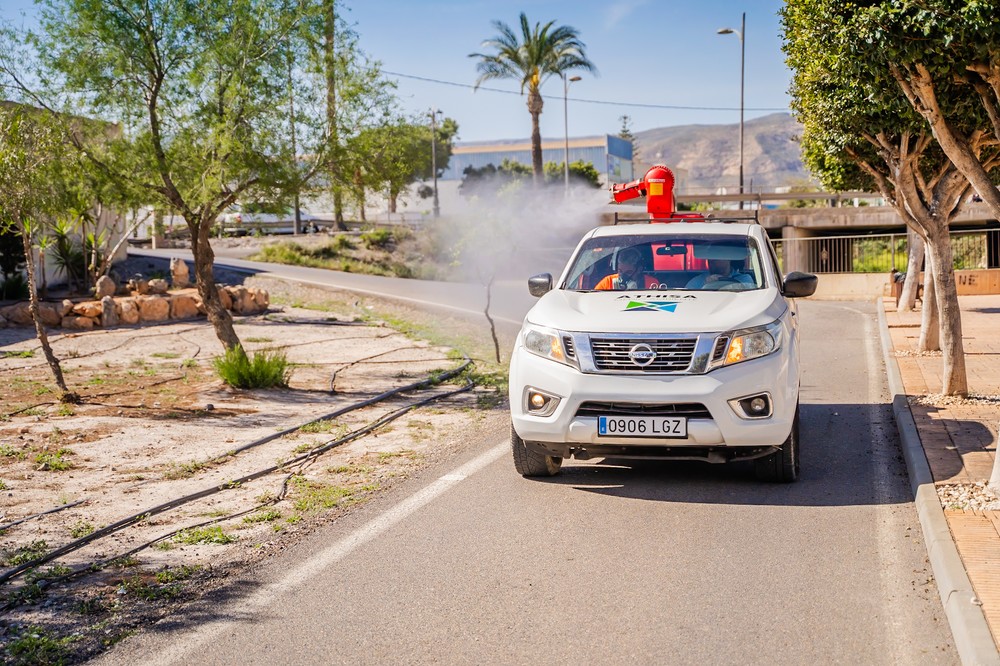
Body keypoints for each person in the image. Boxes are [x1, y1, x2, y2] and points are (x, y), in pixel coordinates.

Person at [594, 247, 659, 290]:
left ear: (639, 270)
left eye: (628, 272)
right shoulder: (608, 282)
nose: (623, 276)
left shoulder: (652, 283)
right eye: (620, 271)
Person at [685, 258, 755, 289]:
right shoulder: (697, 281)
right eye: (709, 257)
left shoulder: (744, 279)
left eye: (716, 257)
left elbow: (750, 299)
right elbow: (688, 300)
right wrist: (706, 286)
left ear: (728, 258)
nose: (711, 261)